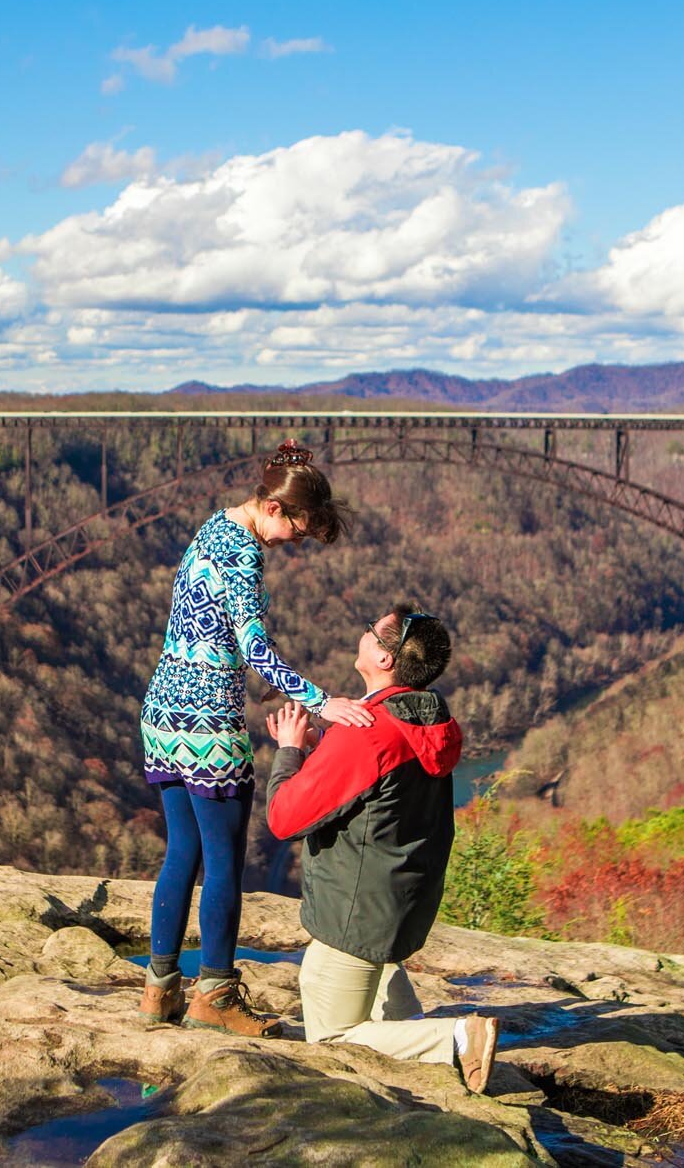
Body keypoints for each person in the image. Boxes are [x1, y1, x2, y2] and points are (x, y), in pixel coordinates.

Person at [138, 440, 375, 1036]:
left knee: (181, 853)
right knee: (222, 862)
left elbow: (203, 625)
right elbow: (256, 646)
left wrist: (249, 674)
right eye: (299, 529)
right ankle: (215, 992)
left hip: (163, 712)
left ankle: (159, 988)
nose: (297, 542)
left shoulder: (213, 527)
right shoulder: (244, 553)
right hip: (207, 726)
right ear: (274, 508)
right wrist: (325, 702)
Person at [265, 607, 501, 1095]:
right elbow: (379, 798)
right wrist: (322, 754)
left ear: (384, 656)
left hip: (357, 912)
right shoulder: (427, 718)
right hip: (399, 900)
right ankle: (423, 1042)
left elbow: (285, 817)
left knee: (333, 1038)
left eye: (370, 630)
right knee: (379, 984)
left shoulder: (367, 731)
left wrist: (290, 751)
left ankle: (458, 1038)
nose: (362, 632)